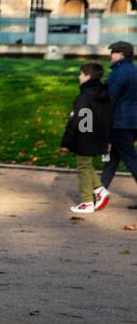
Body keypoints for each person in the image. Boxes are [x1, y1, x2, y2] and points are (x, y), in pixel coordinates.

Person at [62, 61, 111, 215]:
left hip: (86, 137)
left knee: (83, 166)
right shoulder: (105, 93)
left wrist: (66, 141)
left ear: (87, 76)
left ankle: (86, 202)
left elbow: (78, 120)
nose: (79, 77)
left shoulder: (84, 96)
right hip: (100, 136)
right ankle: (100, 190)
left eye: (81, 74)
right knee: (87, 165)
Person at [93, 40, 137, 211]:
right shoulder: (135, 70)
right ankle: (98, 193)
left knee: (131, 159)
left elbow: (109, 99)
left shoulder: (118, 73)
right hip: (132, 122)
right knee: (112, 159)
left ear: (121, 55)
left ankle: (97, 194)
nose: (110, 56)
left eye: (113, 52)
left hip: (120, 123)